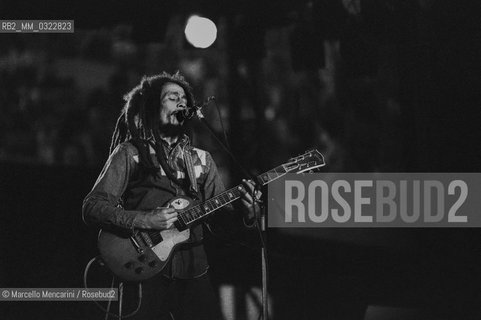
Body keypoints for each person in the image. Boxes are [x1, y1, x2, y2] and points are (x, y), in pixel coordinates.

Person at [82, 71, 261, 320]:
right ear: (154, 107)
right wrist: (144, 220)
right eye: (172, 97)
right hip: (142, 268)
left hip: (194, 271)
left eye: (184, 98)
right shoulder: (130, 153)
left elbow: (220, 221)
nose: (182, 102)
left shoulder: (202, 160)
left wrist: (248, 214)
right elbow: (92, 207)